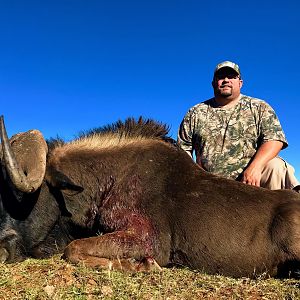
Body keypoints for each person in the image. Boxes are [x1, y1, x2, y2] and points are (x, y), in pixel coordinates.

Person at [178, 60, 299, 190]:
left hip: (250, 180)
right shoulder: (195, 112)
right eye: (221, 77)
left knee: (276, 167)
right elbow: (183, 150)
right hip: (208, 183)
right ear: (213, 83)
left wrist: (255, 168)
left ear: (240, 83)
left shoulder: (259, 107)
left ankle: (289, 208)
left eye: (231, 77)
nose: (226, 80)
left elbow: (275, 140)